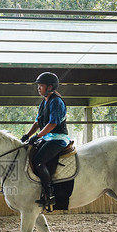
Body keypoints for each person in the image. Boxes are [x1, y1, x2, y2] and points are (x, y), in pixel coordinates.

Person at [21, 72, 70, 207]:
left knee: (38, 161)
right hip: (48, 138)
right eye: (38, 86)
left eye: (41, 85)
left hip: (58, 139)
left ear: (50, 87)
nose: (38, 88)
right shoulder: (44, 102)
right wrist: (27, 136)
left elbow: (52, 124)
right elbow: (37, 122)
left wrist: (37, 136)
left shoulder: (57, 102)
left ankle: (50, 194)